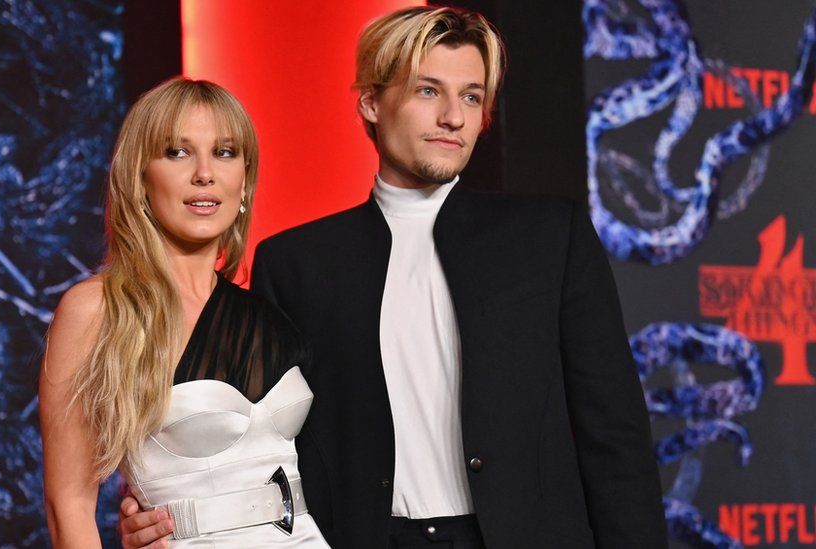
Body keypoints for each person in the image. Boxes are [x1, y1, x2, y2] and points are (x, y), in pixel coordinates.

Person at [121, 6, 668, 548]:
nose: (454, 116)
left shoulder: (550, 239)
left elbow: (614, 436)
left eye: (472, 96)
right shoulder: (297, 264)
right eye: (428, 91)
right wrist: (168, 511)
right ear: (370, 102)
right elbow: (257, 448)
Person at [40, 76, 330, 547]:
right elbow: (67, 503)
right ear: (140, 176)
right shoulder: (97, 310)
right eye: (177, 152)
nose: (204, 173)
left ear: (244, 179)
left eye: (225, 152)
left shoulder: (268, 313)